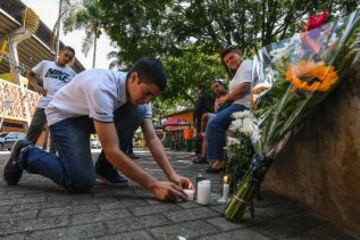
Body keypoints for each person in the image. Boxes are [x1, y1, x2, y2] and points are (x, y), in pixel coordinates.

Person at [3, 57, 192, 201]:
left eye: (153, 96)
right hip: (66, 117)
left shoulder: (141, 99)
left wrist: (172, 175)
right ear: (134, 78)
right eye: (147, 93)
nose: (148, 100)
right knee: (81, 182)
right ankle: (25, 153)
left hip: (88, 115)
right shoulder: (102, 88)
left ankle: (105, 169)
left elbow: (152, 139)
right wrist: (154, 185)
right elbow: (112, 150)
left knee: (139, 110)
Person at [206, 47, 252, 173]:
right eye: (226, 61)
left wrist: (225, 98)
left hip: (244, 105)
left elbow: (245, 88)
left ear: (240, 54)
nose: (229, 62)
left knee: (214, 124)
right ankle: (215, 159)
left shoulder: (246, 65)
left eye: (231, 57)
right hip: (236, 104)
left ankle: (219, 161)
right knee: (212, 123)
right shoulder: (238, 72)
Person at [26, 46, 76, 153]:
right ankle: (24, 155)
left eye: (70, 58)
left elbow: (78, 88)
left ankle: (53, 159)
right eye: (66, 55)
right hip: (44, 104)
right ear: (60, 53)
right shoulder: (45, 64)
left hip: (60, 107)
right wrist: (36, 86)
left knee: (56, 135)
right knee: (34, 129)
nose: (67, 58)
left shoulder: (71, 73)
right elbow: (30, 74)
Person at [193, 80, 228, 164]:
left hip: (226, 116)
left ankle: (209, 158)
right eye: (214, 88)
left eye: (217, 86)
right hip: (216, 117)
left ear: (222, 85)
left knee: (208, 122)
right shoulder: (215, 98)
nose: (216, 89)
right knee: (206, 132)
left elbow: (200, 108)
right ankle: (204, 157)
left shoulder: (229, 94)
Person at [193, 83, 214, 162]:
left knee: (200, 136)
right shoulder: (211, 96)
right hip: (211, 117)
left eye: (198, 89)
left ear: (200, 89)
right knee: (208, 135)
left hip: (201, 118)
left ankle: (201, 155)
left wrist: (194, 118)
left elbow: (197, 109)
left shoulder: (201, 97)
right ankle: (209, 155)